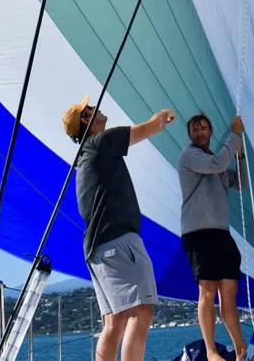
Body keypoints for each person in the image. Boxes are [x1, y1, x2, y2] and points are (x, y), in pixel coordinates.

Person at [62, 95, 175, 361]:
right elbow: (148, 128)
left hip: (96, 248)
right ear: (87, 119)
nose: (98, 108)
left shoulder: (84, 158)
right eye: (91, 108)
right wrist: (164, 115)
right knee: (142, 312)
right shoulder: (100, 142)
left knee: (114, 322)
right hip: (119, 241)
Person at [177, 113, 248, 361]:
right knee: (206, 291)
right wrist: (235, 133)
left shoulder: (215, 162)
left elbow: (241, 183)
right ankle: (211, 351)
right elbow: (218, 164)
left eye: (203, 128)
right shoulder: (190, 157)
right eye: (195, 130)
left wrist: (239, 154)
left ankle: (240, 349)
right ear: (190, 135)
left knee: (229, 290)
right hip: (198, 234)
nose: (199, 132)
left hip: (221, 233)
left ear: (210, 132)